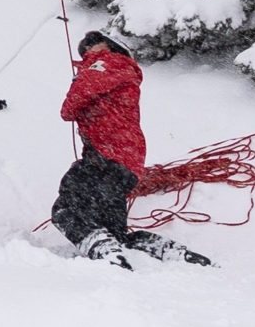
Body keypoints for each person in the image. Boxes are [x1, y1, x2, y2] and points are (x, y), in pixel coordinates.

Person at [51, 30, 211, 269]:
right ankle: (168, 252)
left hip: (103, 157)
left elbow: (69, 108)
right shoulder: (122, 71)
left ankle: (104, 250)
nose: (87, 50)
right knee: (114, 230)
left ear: (112, 45)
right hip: (126, 162)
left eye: (93, 44)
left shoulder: (107, 64)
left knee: (64, 210)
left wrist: (81, 77)